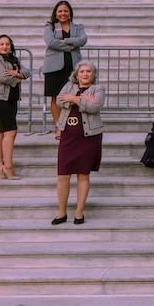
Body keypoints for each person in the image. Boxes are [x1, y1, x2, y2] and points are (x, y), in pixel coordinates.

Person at [53, 61, 105, 226]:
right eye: (82, 71)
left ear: (93, 74)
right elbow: (59, 101)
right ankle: (61, 212)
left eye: (89, 71)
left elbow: (94, 107)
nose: (85, 74)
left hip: (89, 137)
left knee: (83, 174)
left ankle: (79, 212)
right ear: (76, 74)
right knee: (63, 175)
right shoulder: (69, 85)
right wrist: (82, 100)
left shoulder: (98, 89)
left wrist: (73, 98)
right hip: (68, 136)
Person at [0, 34, 28, 180]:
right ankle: (8, 168)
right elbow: (3, 77)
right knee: (11, 132)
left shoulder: (13, 59)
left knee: (1, 132)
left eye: (7, 44)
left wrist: (17, 73)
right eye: (2, 44)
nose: (5, 46)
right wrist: (19, 78)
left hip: (11, 100)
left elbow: (27, 72)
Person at [43, 0, 87, 125]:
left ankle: (69, 125)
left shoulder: (78, 27)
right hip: (54, 68)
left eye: (66, 11)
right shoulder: (50, 26)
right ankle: (58, 126)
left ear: (70, 13)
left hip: (73, 68)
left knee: (73, 96)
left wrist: (65, 41)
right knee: (55, 97)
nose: (63, 13)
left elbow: (83, 40)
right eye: (60, 11)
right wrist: (72, 45)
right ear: (56, 14)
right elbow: (50, 42)